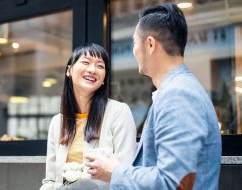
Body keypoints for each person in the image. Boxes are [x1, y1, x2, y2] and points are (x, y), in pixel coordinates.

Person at [85, 3, 221, 190]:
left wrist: (114, 172)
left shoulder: (178, 95)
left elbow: (173, 183)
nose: (134, 50)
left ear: (149, 44)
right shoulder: (177, 90)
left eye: (134, 42)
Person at [40, 43, 137, 190]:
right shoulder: (57, 122)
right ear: (69, 70)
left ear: (104, 78)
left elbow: (125, 173)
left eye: (100, 66)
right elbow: (51, 181)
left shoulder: (119, 112)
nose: (92, 70)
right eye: (85, 62)